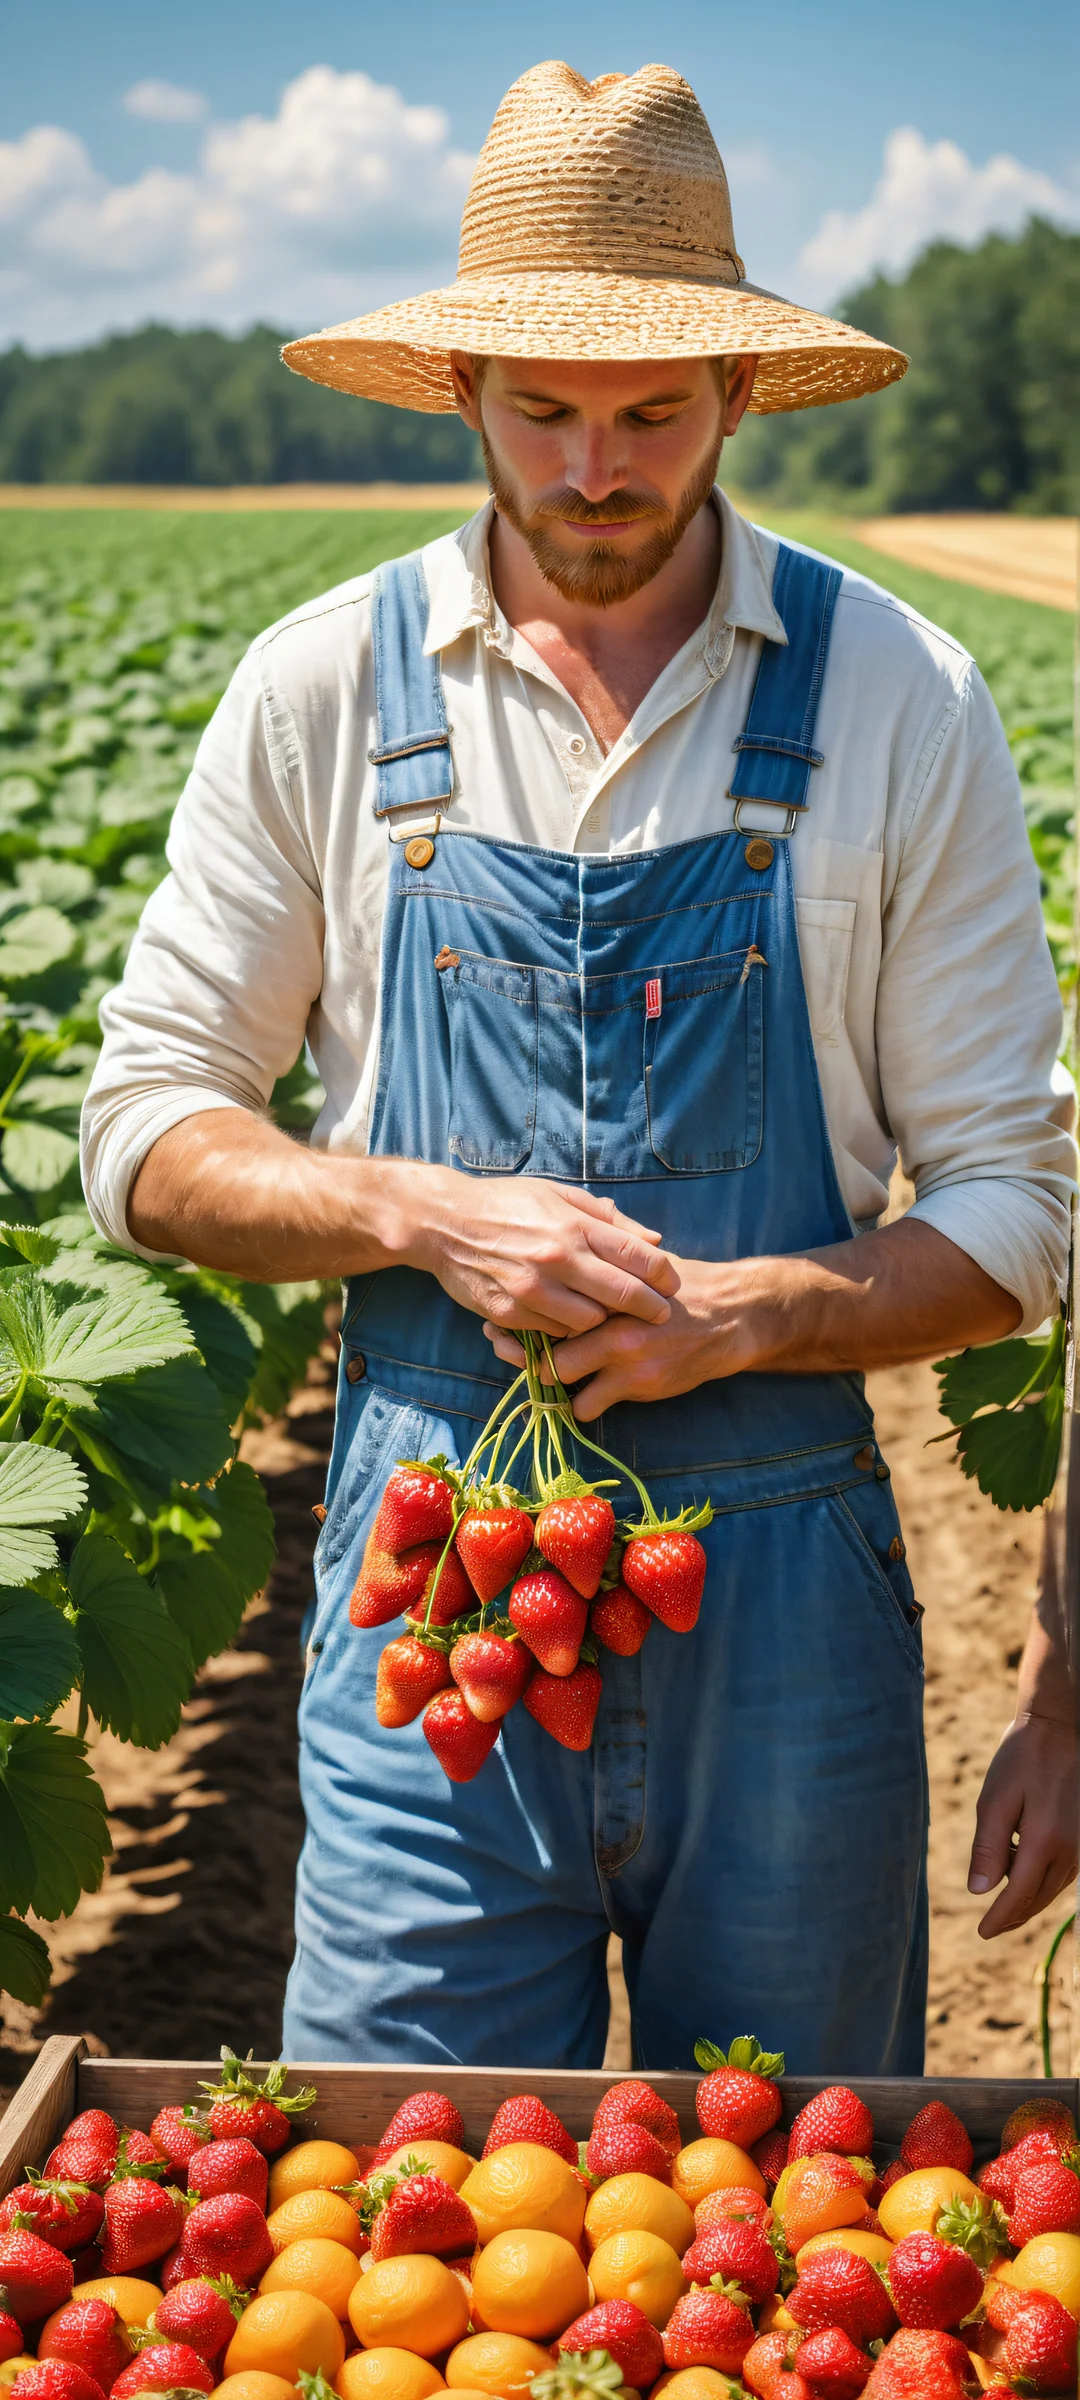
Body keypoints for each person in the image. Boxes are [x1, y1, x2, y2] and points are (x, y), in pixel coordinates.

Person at [81, 60, 1077, 2071]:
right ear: (461, 390)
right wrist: (413, 1210)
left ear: (738, 392)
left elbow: (1018, 1206)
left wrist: (758, 1309)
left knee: (789, 2195)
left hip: (783, 1605)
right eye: (543, 410)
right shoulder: (320, 692)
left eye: (651, 416)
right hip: (429, 1585)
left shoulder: (898, 697)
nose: (596, 468)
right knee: (406, 2188)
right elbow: (145, 1132)